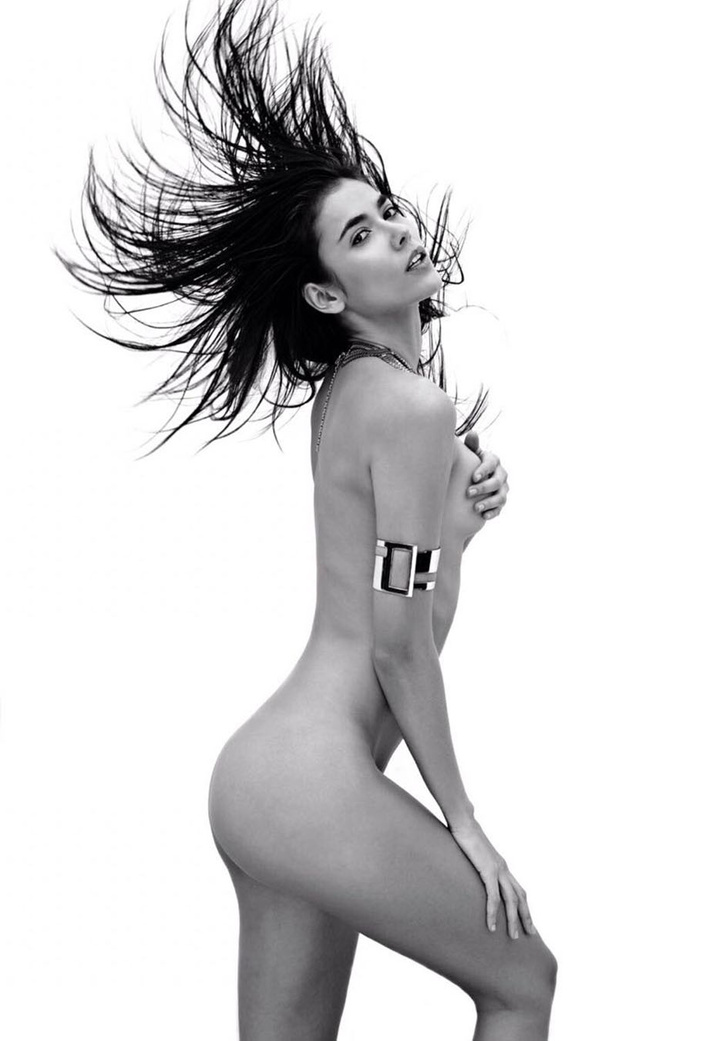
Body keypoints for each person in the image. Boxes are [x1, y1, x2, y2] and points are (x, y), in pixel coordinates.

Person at [56, 0, 557, 1037]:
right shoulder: (407, 407)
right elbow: (395, 642)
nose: (397, 231)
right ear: (327, 297)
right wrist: (464, 822)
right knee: (522, 981)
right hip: (311, 781)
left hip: (270, 782)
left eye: (387, 211)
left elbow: (385, 581)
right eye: (358, 235)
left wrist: (457, 528)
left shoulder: (356, 393)